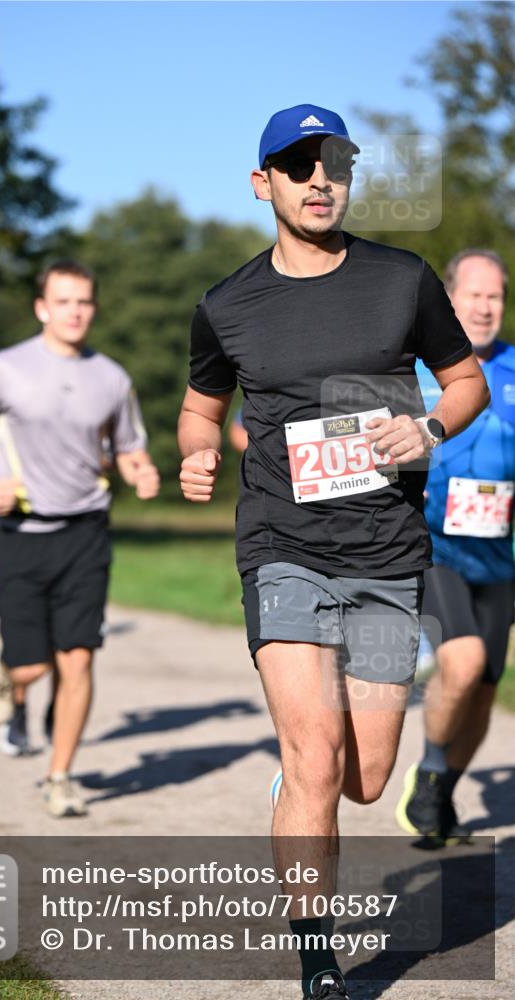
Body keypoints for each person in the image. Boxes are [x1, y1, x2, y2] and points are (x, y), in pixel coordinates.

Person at [177, 103, 489, 1000]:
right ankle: (318, 959)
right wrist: (198, 452)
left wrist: (426, 425)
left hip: (386, 555)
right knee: (315, 756)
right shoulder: (227, 305)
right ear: (262, 181)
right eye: (299, 163)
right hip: (280, 547)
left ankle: (300, 774)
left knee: (364, 776)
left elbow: (463, 381)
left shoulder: (402, 280)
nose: (321, 179)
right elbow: (202, 409)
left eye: (336, 163)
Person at [0, 259, 160, 817]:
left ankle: (59, 775)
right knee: (32, 665)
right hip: (20, 531)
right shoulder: (5, 368)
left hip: (86, 531)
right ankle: (9, 674)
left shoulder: (112, 378)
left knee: (78, 660)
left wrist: (140, 470)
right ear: (43, 308)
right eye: (63, 301)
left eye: (84, 301)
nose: (75, 311)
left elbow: (129, 445)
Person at [396, 249, 514, 841]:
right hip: (434, 543)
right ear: (450, 297)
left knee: (485, 686)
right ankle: (434, 771)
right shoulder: (413, 368)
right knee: (461, 661)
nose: (486, 306)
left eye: (495, 296)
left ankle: (437, 793)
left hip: (499, 553)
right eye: (474, 295)